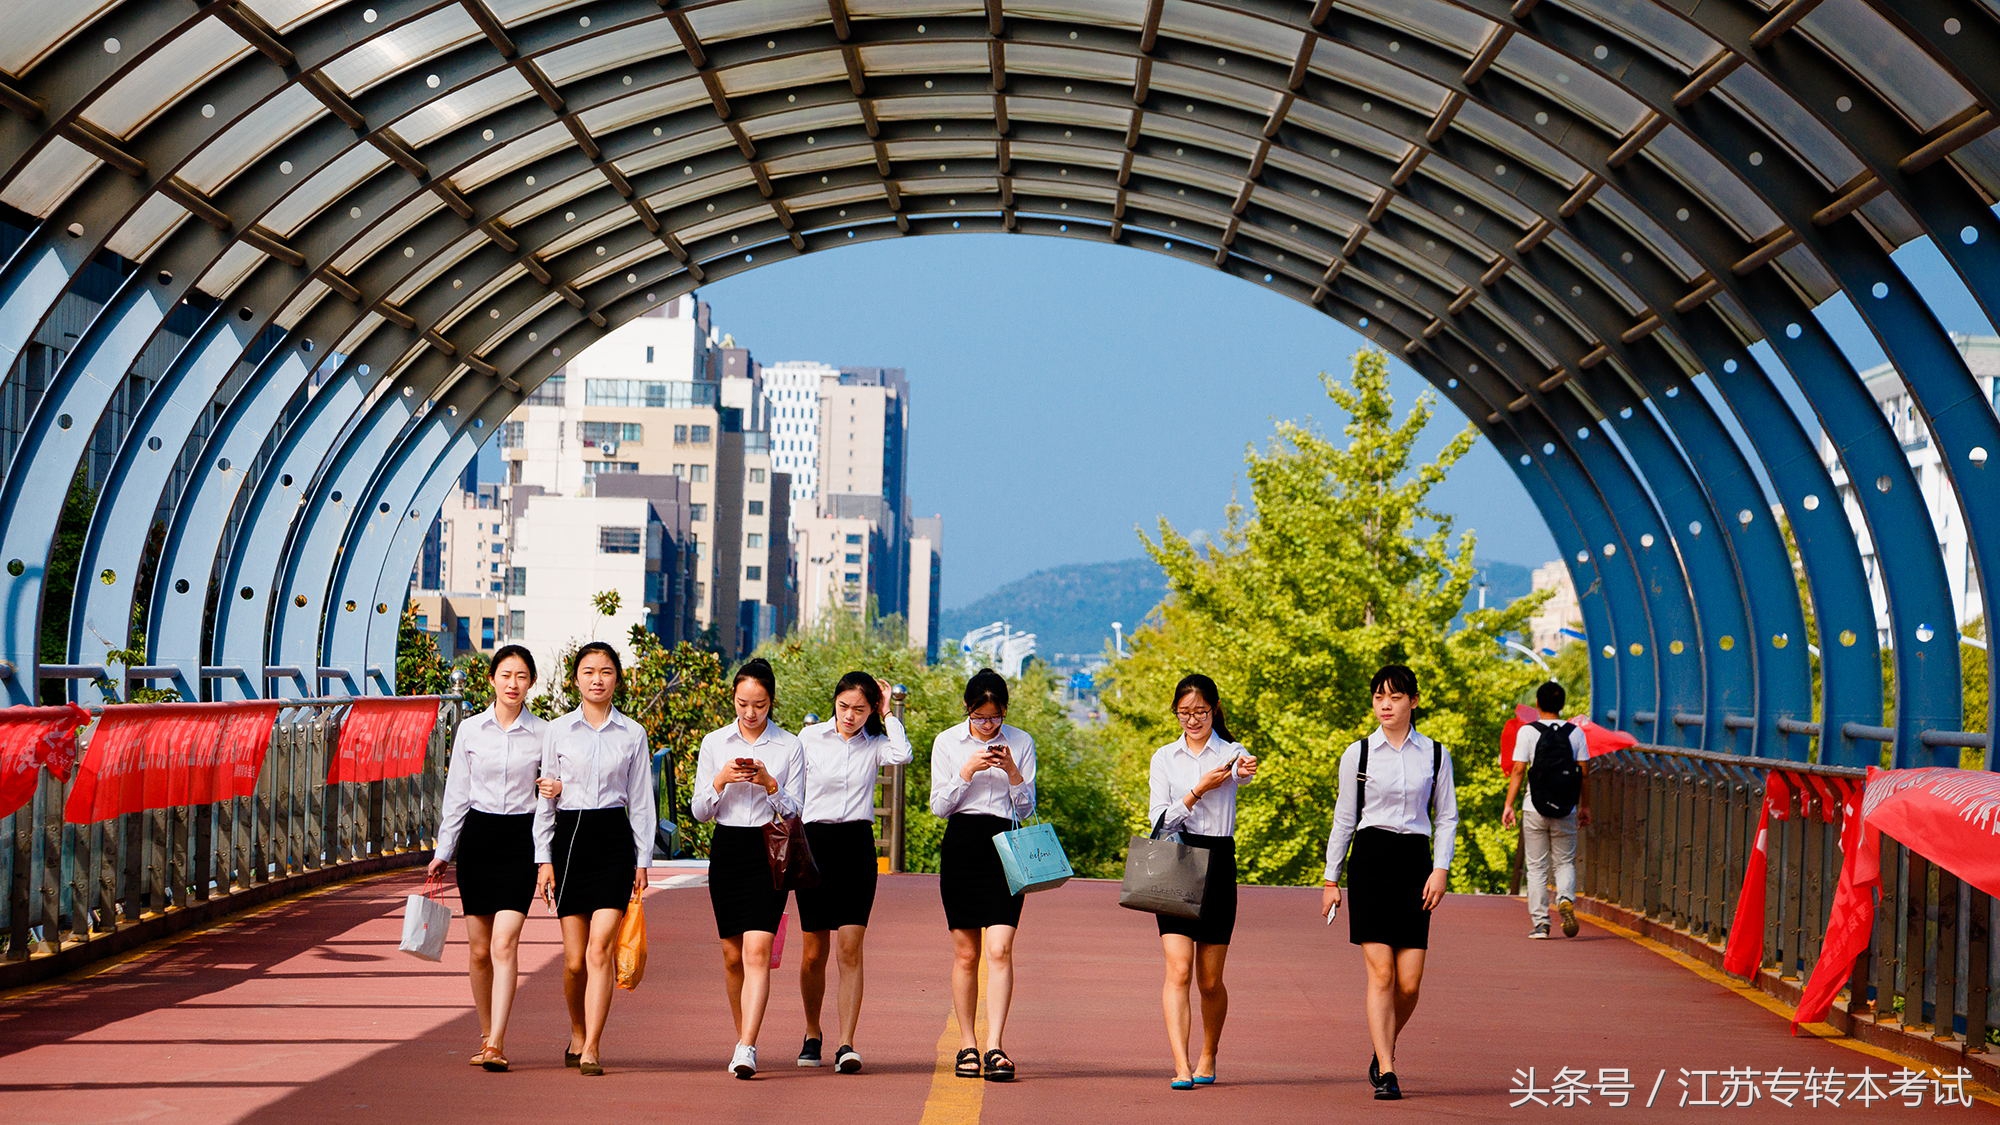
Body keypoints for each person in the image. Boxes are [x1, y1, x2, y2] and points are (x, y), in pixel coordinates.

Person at [1320, 664, 1458, 1101]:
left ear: (1413, 702)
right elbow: (1345, 818)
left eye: (1395, 697)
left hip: (1416, 862)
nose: (1385, 704)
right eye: (1379, 696)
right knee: (1381, 973)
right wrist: (1331, 878)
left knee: (1410, 983)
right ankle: (1388, 1067)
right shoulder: (1357, 754)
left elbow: (1447, 816)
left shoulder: (1435, 754)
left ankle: (1383, 1044)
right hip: (1371, 861)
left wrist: (1441, 868)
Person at [532, 642, 653, 1077]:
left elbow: (641, 801)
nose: (597, 678)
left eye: (605, 671)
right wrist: (543, 858)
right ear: (575, 679)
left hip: (614, 841)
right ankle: (577, 1029)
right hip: (570, 840)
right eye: (588, 671)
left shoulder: (633, 734)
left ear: (617, 678)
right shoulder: (557, 731)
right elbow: (547, 797)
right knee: (573, 959)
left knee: (600, 948)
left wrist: (643, 860)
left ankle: (593, 1047)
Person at [428, 645, 547, 1072]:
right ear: (492, 680)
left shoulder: (543, 734)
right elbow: (457, 793)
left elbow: (551, 797)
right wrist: (445, 850)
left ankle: (497, 1041)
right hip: (478, 840)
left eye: (521, 676)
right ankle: (485, 1033)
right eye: (506, 675)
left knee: (504, 942)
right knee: (478, 950)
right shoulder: (471, 731)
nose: (513, 684)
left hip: (521, 840)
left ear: (531, 682)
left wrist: (545, 853)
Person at [793, 672, 912, 1073]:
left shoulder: (876, 744)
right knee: (814, 952)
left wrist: (886, 711)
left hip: (856, 848)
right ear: (834, 703)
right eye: (844, 706)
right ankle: (812, 1032)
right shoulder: (808, 739)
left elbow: (904, 754)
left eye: (860, 709)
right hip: (814, 845)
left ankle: (846, 1042)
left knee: (849, 947)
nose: (849, 715)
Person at [692, 657, 804, 1080]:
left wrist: (769, 784)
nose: (750, 712)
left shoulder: (789, 745)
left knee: (758, 949)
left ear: (771, 701)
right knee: (732, 954)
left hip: (769, 848)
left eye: (758, 704)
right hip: (727, 848)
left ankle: (747, 1045)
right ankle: (744, 1034)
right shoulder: (714, 743)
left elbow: (797, 810)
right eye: (742, 703)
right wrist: (721, 780)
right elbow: (700, 811)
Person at [1147, 674, 1259, 1090]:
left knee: (1209, 980)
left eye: (1200, 712)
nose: (1192, 720)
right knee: (1177, 969)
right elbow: (1158, 820)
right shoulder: (1164, 757)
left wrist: (1242, 771)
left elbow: (1245, 773)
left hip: (1218, 859)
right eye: (1184, 713)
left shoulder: (1231, 752)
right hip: (1176, 858)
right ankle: (1180, 1064)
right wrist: (1197, 790)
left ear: (1215, 710)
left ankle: (1208, 1052)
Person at [930, 668, 1037, 1082]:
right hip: (962, 844)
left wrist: (1012, 771)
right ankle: (967, 1044)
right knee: (966, 953)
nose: (988, 726)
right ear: (967, 711)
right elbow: (940, 806)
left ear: (1005, 712)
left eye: (994, 718)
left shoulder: (1021, 742)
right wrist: (967, 770)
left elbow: (1026, 809)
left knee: (1000, 949)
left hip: (1005, 846)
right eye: (979, 718)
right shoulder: (947, 742)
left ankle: (995, 1044)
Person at [1502, 681, 1591, 939]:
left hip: (1534, 807)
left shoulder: (1527, 732)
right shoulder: (1576, 733)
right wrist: (1585, 806)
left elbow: (1518, 769)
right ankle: (1565, 900)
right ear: (1562, 705)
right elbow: (1585, 774)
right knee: (1564, 862)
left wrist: (1509, 804)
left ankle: (1541, 923)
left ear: (1538, 705)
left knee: (1537, 866)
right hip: (1566, 808)